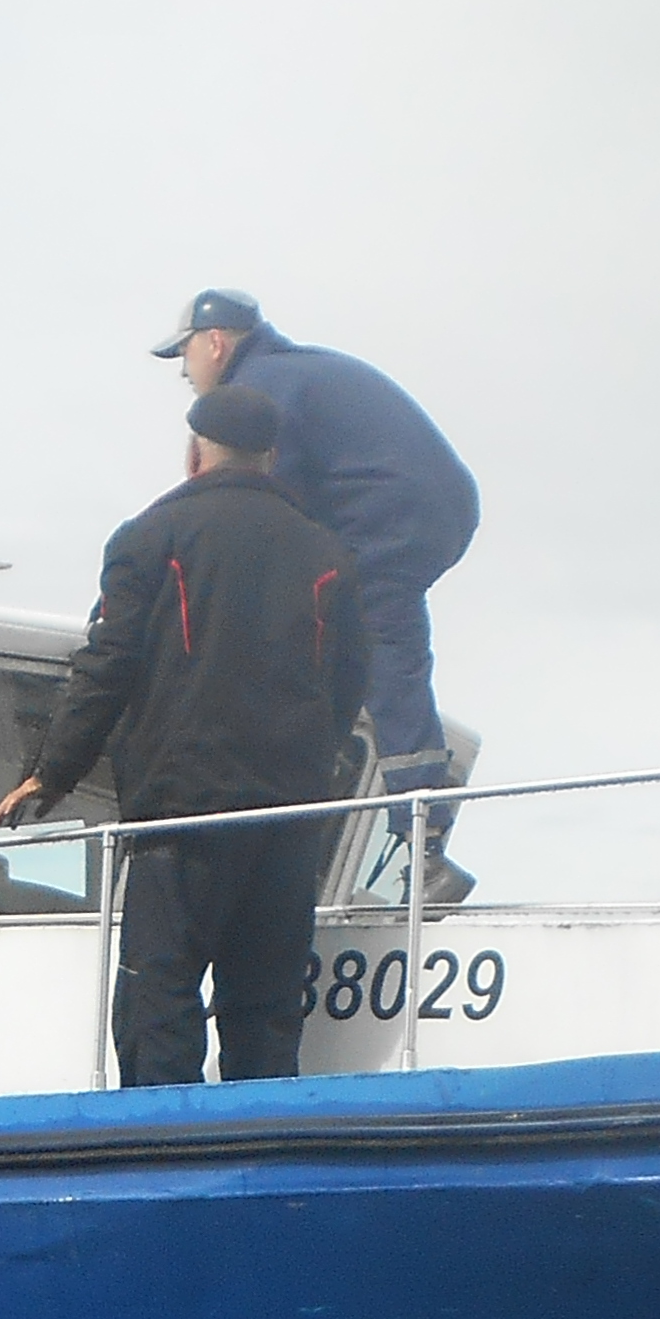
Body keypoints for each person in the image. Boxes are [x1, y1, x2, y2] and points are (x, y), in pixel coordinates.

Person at [0, 381, 365, 1088]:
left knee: (159, 995)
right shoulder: (328, 554)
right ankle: (258, 1149)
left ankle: (162, 1146)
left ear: (194, 451)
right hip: (287, 818)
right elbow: (348, 682)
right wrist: (309, 760)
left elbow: (110, 664)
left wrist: (54, 769)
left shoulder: (149, 538)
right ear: (271, 456)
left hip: (183, 815)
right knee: (264, 1007)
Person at [156, 289, 483, 904]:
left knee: (385, 652)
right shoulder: (291, 372)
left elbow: (249, 505)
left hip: (391, 519)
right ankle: (405, 827)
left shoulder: (261, 389)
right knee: (345, 648)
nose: (183, 370)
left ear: (216, 342)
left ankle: (424, 842)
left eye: (186, 353)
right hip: (427, 508)